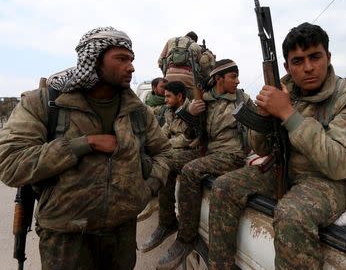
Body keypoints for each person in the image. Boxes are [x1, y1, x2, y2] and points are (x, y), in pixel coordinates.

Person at [208, 23, 346, 269]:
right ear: (287, 67)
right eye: (298, 61)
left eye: (315, 57)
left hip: (330, 179)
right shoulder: (283, 90)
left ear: (328, 57)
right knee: (223, 186)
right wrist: (265, 116)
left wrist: (288, 113)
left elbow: (341, 164)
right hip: (285, 168)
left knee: (292, 214)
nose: (308, 68)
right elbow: (262, 149)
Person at [0, 27, 171, 270]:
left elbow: (164, 152)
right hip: (66, 237)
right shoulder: (44, 103)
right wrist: (83, 144)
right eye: (121, 59)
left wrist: (146, 188)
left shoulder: (137, 111)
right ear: (94, 60)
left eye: (131, 59)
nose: (131, 67)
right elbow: (10, 163)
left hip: (121, 235)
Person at [144, 59, 253, 270]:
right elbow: (192, 134)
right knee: (167, 161)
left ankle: (186, 238)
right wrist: (189, 114)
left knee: (191, 170)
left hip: (231, 155)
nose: (238, 81)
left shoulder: (242, 100)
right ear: (218, 79)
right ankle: (167, 223)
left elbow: (259, 127)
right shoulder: (205, 100)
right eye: (233, 77)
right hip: (209, 153)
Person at [138, 81, 200, 226]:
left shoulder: (190, 111)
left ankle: (167, 218)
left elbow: (187, 139)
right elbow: (164, 132)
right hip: (175, 150)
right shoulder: (170, 111)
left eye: (168, 96)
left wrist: (164, 146)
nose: (165, 99)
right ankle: (150, 200)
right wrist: (151, 145)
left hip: (191, 151)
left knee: (164, 161)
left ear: (179, 96)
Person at [158, 31, 215, 98]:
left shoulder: (170, 41)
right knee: (189, 103)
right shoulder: (196, 46)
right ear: (195, 40)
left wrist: (166, 73)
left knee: (171, 101)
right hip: (188, 81)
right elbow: (203, 64)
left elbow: (160, 61)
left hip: (169, 78)